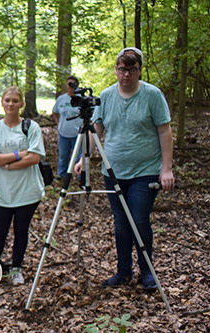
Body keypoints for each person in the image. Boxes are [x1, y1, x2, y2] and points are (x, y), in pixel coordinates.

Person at [75, 47, 175, 291]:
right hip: (114, 171)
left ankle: (147, 271)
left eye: (132, 69)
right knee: (121, 223)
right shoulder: (107, 95)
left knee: (138, 219)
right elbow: (96, 129)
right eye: (122, 69)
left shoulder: (152, 95)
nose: (126, 74)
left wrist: (167, 169)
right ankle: (123, 271)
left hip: (146, 170)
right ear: (116, 70)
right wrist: (83, 158)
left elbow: (165, 130)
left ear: (139, 70)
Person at [0, 86, 45, 286]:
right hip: (2, 192)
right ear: (2, 102)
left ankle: (16, 268)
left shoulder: (30, 127)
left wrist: (7, 165)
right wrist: (18, 154)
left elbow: (34, 157)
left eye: (15, 101)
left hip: (27, 191)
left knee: (21, 231)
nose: (11, 104)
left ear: (21, 104)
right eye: (7, 100)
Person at [51, 76, 83, 178]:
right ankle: (61, 175)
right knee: (63, 156)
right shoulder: (61, 99)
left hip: (78, 133)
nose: (71, 86)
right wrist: (58, 123)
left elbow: (92, 113)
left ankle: (80, 176)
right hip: (64, 133)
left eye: (73, 84)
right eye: (69, 84)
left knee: (79, 157)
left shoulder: (81, 98)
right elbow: (54, 111)